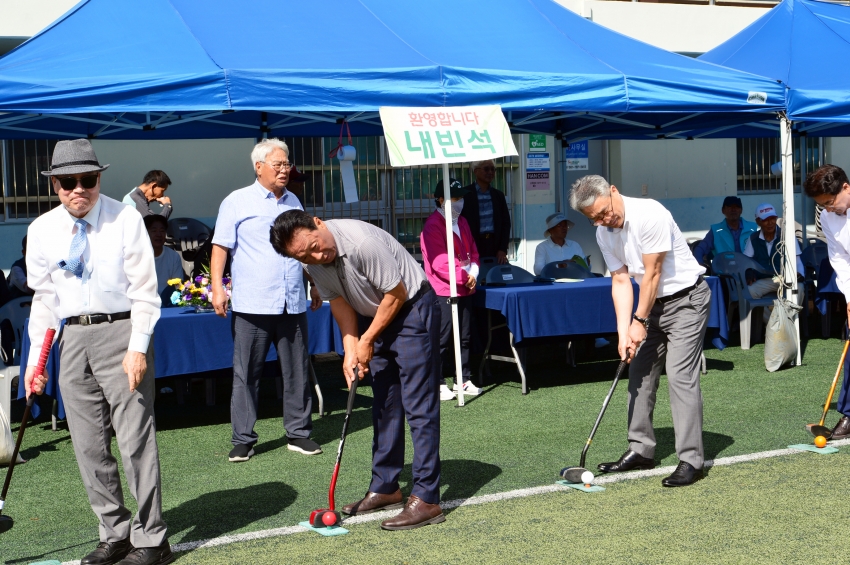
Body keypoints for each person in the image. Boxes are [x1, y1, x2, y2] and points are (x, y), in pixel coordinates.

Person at [25, 139, 173, 565]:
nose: (78, 189)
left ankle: (151, 540)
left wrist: (138, 347)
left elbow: (146, 293)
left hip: (122, 331)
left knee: (134, 442)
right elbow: (45, 301)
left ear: (99, 178)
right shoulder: (41, 231)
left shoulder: (127, 219)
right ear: (54, 184)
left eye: (87, 180)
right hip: (70, 340)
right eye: (67, 182)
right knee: (89, 446)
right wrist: (38, 363)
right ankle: (115, 533)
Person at [269, 210, 445, 531]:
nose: (315, 255)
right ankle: (386, 486)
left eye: (313, 245)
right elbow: (338, 301)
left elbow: (396, 294)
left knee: (419, 407)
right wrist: (351, 350)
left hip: (412, 311)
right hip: (374, 318)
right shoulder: (313, 263)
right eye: (303, 255)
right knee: (384, 405)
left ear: (318, 223)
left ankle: (427, 498)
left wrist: (366, 340)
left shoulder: (361, 242)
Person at [570, 174, 709, 488]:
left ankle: (690, 460)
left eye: (606, 211)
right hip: (651, 306)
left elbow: (653, 274)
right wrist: (623, 332)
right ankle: (641, 449)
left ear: (614, 192)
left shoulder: (650, 214)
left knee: (679, 376)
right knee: (639, 374)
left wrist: (639, 322)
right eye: (595, 219)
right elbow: (620, 281)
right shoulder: (605, 233)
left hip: (686, 299)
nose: (606, 220)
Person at [210, 138, 322, 463]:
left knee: (297, 370)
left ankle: (299, 433)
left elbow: (304, 249)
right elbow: (221, 247)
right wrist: (218, 288)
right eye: (279, 164)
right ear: (258, 167)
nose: (285, 169)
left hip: (292, 301)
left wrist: (314, 283)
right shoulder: (236, 201)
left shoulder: (294, 201)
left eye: (287, 163)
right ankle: (243, 438)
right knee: (246, 373)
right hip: (252, 304)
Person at [420, 178, 481, 400]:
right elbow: (439, 263)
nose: (459, 202)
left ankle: (462, 379)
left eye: (460, 198)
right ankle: (436, 382)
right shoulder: (433, 226)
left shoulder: (462, 221)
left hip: (465, 286)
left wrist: (473, 273)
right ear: (440, 199)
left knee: (464, 336)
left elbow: (473, 250)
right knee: (441, 338)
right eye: (454, 198)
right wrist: (466, 276)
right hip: (443, 289)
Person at [804, 165, 850, 439]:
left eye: (830, 203)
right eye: (822, 205)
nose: (827, 209)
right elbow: (840, 260)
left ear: (845, 187)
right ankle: (849, 413)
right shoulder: (829, 218)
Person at [742, 202, 805, 321]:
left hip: (785, 279)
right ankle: (771, 324)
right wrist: (749, 272)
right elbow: (747, 260)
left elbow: (797, 259)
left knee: (799, 287)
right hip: (764, 279)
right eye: (766, 220)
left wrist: (800, 274)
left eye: (772, 218)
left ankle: (787, 322)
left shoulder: (787, 235)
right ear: (758, 222)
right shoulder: (753, 238)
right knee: (749, 291)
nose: (770, 223)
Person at [460, 159, 512, 264]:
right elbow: (459, 223)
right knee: (475, 277)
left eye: (493, 169)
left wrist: (502, 249)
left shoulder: (498, 195)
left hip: (495, 245)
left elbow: (506, 223)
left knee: (496, 277)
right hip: (473, 244)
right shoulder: (465, 194)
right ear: (476, 171)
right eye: (486, 169)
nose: (490, 172)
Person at [692, 196, 758, 267]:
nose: (733, 210)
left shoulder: (752, 228)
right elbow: (700, 249)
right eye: (729, 207)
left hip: (748, 273)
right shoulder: (716, 230)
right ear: (723, 210)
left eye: (736, 207)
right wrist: (699, 265)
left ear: (741, 210)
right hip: (724, 273)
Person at [143, 215, 184, 305]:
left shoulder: (173, 256)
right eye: (154, 231)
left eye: (162, 231)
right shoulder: (136, 256)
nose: (159, 234)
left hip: (167, 303)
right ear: (144, 233)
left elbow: (178, 285)